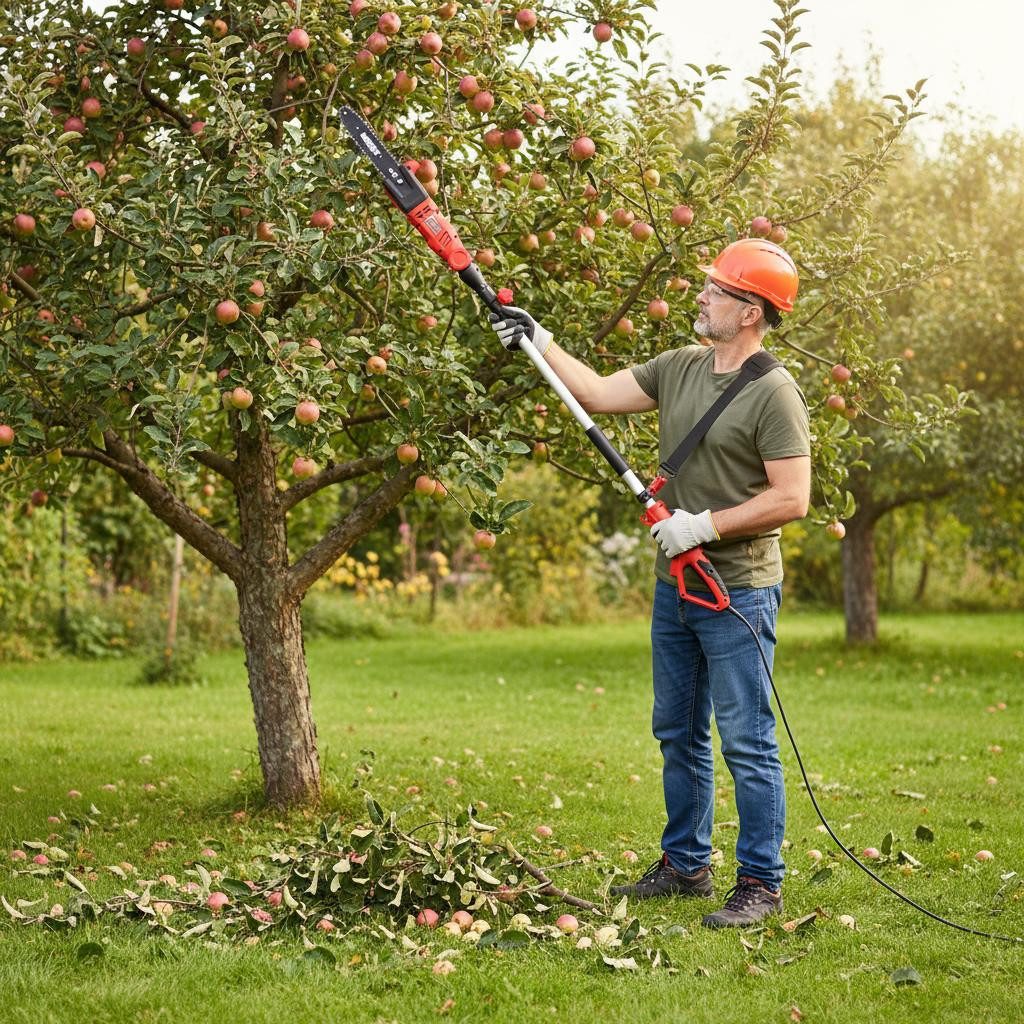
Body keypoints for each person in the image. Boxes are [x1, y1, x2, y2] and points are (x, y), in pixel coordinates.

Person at [490, 239, 811, 928]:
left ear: (750, 310)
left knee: (747, 740)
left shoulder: (774, 393)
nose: (700, 296)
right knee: (677, 729)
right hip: (678, 589)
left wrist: (704, 527)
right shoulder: (680, 366)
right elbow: (598, 393)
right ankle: (686, 865)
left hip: (739, 591)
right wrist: (537, 336)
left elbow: (792, 498)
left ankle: (761, 882)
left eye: (716, 290)